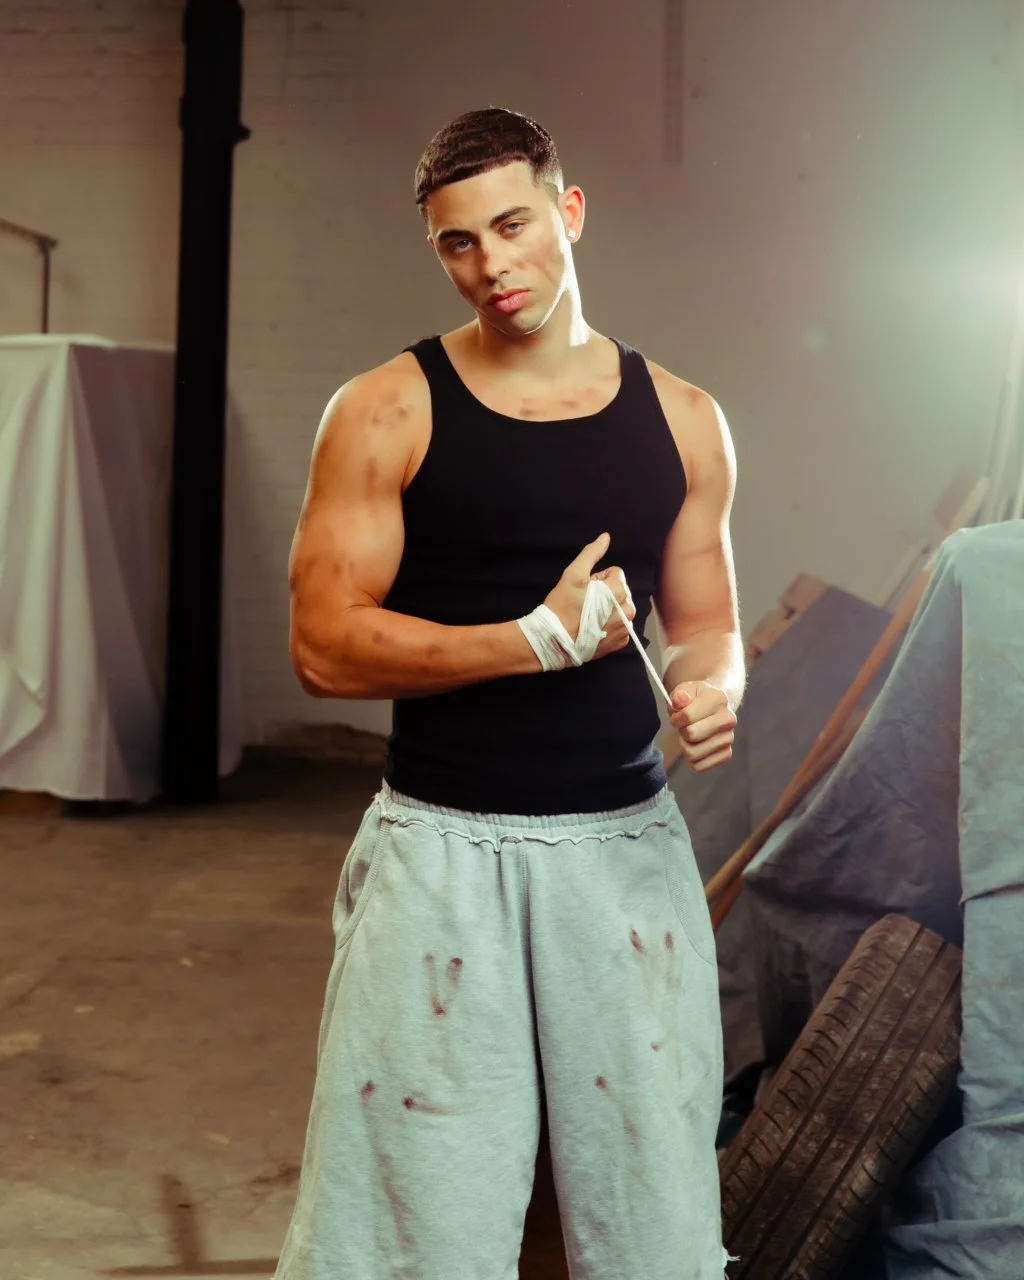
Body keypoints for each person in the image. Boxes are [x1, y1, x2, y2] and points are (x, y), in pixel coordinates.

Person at [277, 107, 745, 1280]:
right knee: (413, 1227)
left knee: (654, 1215)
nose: (491, 264)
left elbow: (707, 628)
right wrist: (530, 641)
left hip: (620, 854)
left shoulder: (684, 419)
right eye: (459, 241)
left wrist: (711, 688)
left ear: (568, 212)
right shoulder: (384, 408)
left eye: (513, 225)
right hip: (440, 852)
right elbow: (324, 647)